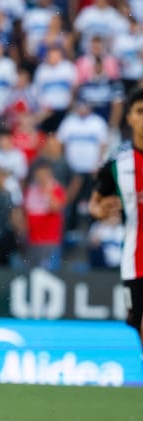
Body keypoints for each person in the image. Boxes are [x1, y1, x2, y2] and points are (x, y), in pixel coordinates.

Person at [88, 86, 143, 360]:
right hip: (135, 258)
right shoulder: (117, 161)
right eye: (140, 112)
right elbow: (94, 203)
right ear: (129, 118)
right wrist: (101, 211)